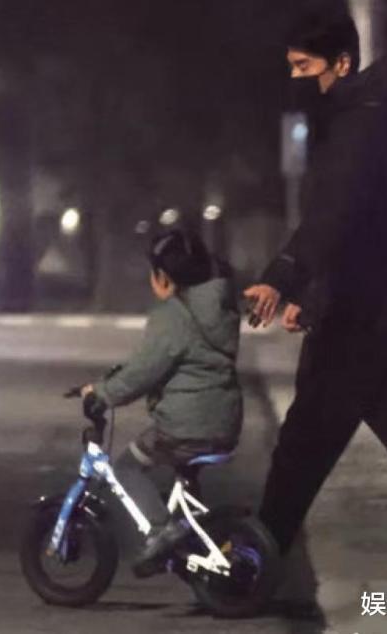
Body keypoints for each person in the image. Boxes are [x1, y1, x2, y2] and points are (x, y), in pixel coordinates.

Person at [244, 9, 387, 633]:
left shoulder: (357, 128)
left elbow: (332, 221)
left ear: (341, 62)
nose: (298, 79)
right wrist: (310, 295)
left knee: (302, 446)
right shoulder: (380, 120)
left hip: (361, 321)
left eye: (305, 67)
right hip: (385, 314)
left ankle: (249, 567)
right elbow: (364, 233)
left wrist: (282, 278)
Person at [81, 228, 243, 577]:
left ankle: (160, 530)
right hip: (225, 421)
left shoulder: (172, 316)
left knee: (125, 467)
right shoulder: (219, 308)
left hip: (186, 428)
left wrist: (101, 393)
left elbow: (143, 372)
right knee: (182, 474)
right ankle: (193, 537)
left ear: (163, 277)